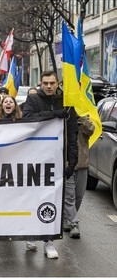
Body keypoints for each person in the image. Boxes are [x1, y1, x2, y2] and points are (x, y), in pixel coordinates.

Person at [22, 71, 78, 259]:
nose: (48, 86)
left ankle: (49, 241)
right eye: (45, 83)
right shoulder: (32, 100)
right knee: (33, 199)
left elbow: (72, 134)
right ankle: (30, 234)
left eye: (52, 83)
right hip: (35, 159)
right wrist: (54, 115)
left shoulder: (67, 102)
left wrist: (72, 161)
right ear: (40, 83)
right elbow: (28, 119)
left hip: (56, 160)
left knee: (51, 201)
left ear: (57, 83)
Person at [65, 115, 95, 238]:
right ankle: (74, 224)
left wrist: (83, 118)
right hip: (68, 165)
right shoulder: (64, 119)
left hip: (82, 165)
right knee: (69, 196)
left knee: (78, 196)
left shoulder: (84, 120)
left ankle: (68, 218)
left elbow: (91, 130)